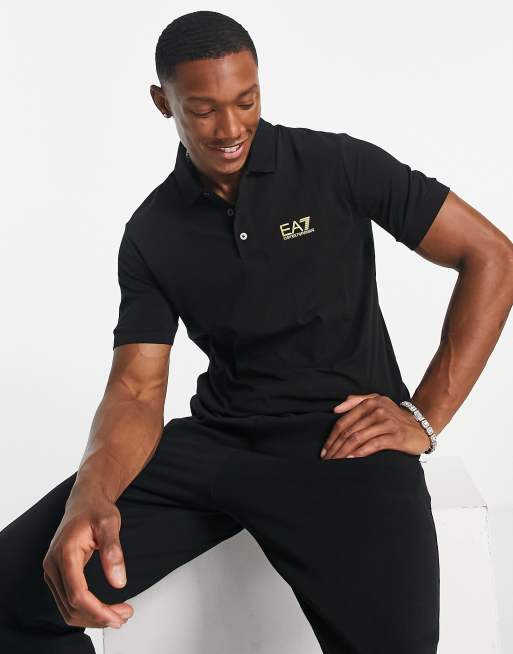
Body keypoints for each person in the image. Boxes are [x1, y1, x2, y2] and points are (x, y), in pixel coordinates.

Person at [1, 10, 512, 654]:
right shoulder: (154, 231)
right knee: (15, 592)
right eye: (204, 109)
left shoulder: (335, 165)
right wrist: (92, 495)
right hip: (220, 444)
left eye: (246, 101)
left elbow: (491, 255)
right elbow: (136, 388)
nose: (231, 128)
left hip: (344, 445)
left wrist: (424, 416)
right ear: (163, 102)